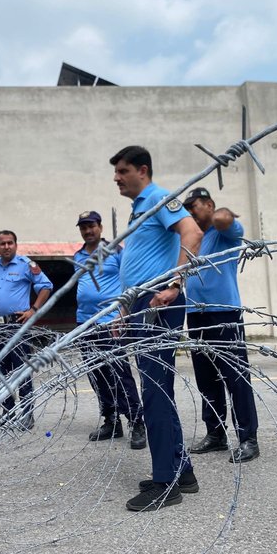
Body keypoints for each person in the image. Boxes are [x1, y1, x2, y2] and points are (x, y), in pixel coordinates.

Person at [109, 145, 203, 511]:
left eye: (122, 171)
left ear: (142, 170)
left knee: (154, 391)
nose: (116, 178)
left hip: (157, 304)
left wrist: (175, 284)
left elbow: (192, 234)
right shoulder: (139, 209)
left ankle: (166, 483)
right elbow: (136, 265)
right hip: (140, 305)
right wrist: (122, 312)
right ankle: (182, 470)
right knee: (156, 388)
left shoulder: (160, 198)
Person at [182, 188, 259, 462]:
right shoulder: (193, 240)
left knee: (235, 377)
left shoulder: (222, 233)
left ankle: (248, 438)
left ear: (210, 205)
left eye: (195, 205)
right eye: (187, 207)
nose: (190, 211)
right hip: (196, 315)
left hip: (224, 314)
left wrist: (221, 214)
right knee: (206, 379)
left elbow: (227, 221)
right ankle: (215, 434)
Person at [73, 210, 146, 449]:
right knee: (97, 375)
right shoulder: (78, 255)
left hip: (111, 322)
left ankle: (136, 422)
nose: (87, 230)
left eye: (91, 226)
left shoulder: (115, 251)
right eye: (83, 227)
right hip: (85, 323)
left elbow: (129, 282)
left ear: (100, 227)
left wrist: (123, 315)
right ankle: (111, 420)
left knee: (120, 373)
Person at [0, 230, 52, 429]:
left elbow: (46, 286)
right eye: (2, 243)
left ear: (16, 244)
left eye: (10, 243)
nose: (6, 246)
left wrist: (33, 310)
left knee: (21, 370)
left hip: (17, 326)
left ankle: (27, 414)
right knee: (3, 371)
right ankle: (8, 412)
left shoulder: (26, 265)